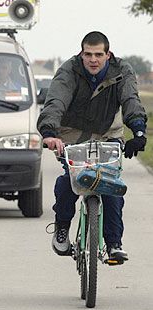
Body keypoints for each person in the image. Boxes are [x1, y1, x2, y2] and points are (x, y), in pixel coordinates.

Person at [37, 31, 147, 264]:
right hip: (72, 135)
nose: (93, 60)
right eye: (88, 54)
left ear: (108, 54)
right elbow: (56, 100)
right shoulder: (69, 70)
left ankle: (114, 243)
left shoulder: (122, 70)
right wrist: (49, 133)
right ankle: (62, 228)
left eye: (99, 54)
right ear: (81, 53)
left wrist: (137, 130)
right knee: (70, 182)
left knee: (111, 186)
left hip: (108, 133)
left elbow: (130, 99)